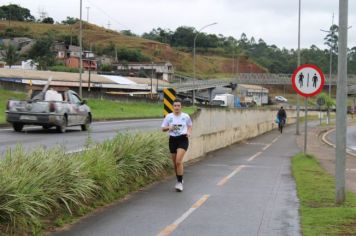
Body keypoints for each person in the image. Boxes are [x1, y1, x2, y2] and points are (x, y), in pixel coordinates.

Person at [161, 98, 192, 192]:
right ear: (173, 106)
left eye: (178, 105)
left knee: (178, 161)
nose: (177, 107)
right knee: (175, 163)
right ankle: (180, 178)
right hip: (173, 140)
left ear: (181, 106)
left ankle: (179, 183)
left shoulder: (185, 116)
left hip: (183, 139)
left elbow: (190, 125)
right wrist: (168, 128)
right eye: (175, 106)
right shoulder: (168, 117)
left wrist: (189, 132)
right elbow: (162, 128)